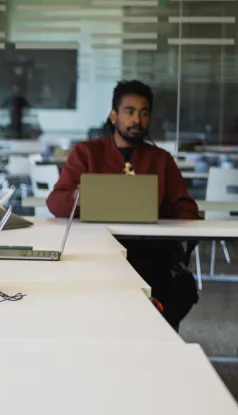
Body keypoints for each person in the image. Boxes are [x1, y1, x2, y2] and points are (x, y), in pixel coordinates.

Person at [47, 79, 200, 328]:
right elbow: (55, 202)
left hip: (152, 254)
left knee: (177, 289)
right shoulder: (87, 153)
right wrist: (78, 197)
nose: (137, 120)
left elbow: (186, 209)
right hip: (96, 252)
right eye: (129, 112)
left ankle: (151, 336)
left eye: (144, 113)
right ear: (114, 115)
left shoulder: (161, 160)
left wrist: (172, 222)